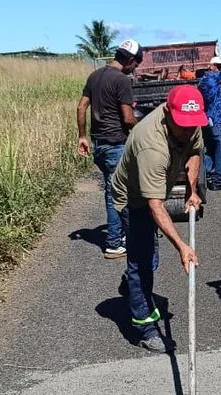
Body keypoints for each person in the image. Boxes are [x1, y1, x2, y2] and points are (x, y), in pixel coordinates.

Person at [110, 85, 207, 353]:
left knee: (149, 255)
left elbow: (196, 152)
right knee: (141, 260)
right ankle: (144, 328)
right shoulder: (151, 145)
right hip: (134, 198)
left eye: (192, 125)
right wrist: (183, 247)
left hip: (154, 191)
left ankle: (138, 286)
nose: (188, 131)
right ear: (167, 112)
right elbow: (154, 206)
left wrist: (192, 189)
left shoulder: (190, 120)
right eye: (182, 126)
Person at [77, 39, 143, 259]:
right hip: (116, 144)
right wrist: (142, 129)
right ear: (131, 60)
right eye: (136, 65)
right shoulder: (122, 80)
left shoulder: (94, 76)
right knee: (118, 194)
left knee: (114, 190)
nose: (135, 69)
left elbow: (81, 106)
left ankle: (122, 234)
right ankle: (115, 242)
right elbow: (127, 118)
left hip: (99, 144)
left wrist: (82, 136)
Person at [198, 55, 221, 190]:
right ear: (213, 67)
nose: (220, 70)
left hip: (208, 119)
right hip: (217, 120)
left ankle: (206, 173)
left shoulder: (204, 79)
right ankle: (218, 179)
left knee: (211, 149)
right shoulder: (213, 77)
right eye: (218, 67)